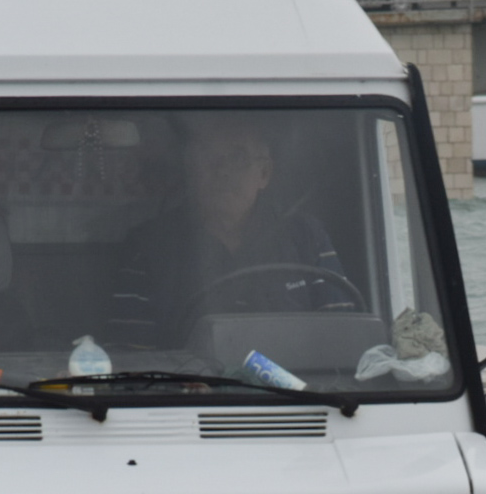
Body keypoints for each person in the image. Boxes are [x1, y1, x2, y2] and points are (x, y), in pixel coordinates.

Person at [107, 113, 351, 351]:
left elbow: (343, 339)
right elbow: (132, 357)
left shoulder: (307, 238)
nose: (222, 171)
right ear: (191, 169)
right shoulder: (147, 247)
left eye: (238, 158)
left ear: (264, 174)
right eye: (208, 158)